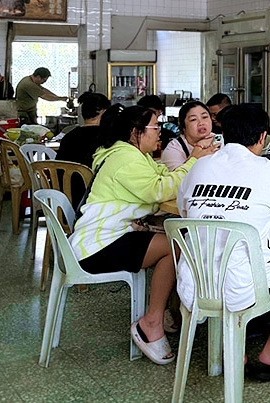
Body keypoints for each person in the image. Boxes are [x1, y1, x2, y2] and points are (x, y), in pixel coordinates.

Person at [177, 103, 270, 381]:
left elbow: (184, 211)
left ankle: (233, 349)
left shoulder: (198, 168)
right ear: (263, 137)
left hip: (195, 283)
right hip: (245, 286)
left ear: (224, 134)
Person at [69, 104, 215, 365]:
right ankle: (154, 320)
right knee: (177, 246)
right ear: (135, 132)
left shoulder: (134, 154)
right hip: (98, 244)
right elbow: (160, 191)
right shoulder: (124, 159)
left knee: (176, 244)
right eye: (155, 127)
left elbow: (163, 175)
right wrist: (194, 160)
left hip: (110, 235)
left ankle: (160, 315)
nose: (160, 132)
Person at [55, 92, 110, 206]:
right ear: (103, 112)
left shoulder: (69, 137)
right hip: (96, 204)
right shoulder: (107, 139)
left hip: (67, 203)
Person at [160, 100, 218, 171]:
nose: (201, 123)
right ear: (183, 127)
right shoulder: (173, 149)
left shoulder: (220, 141)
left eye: (204, 117)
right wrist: (198, 149)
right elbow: (178, 179)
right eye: (193, 119)